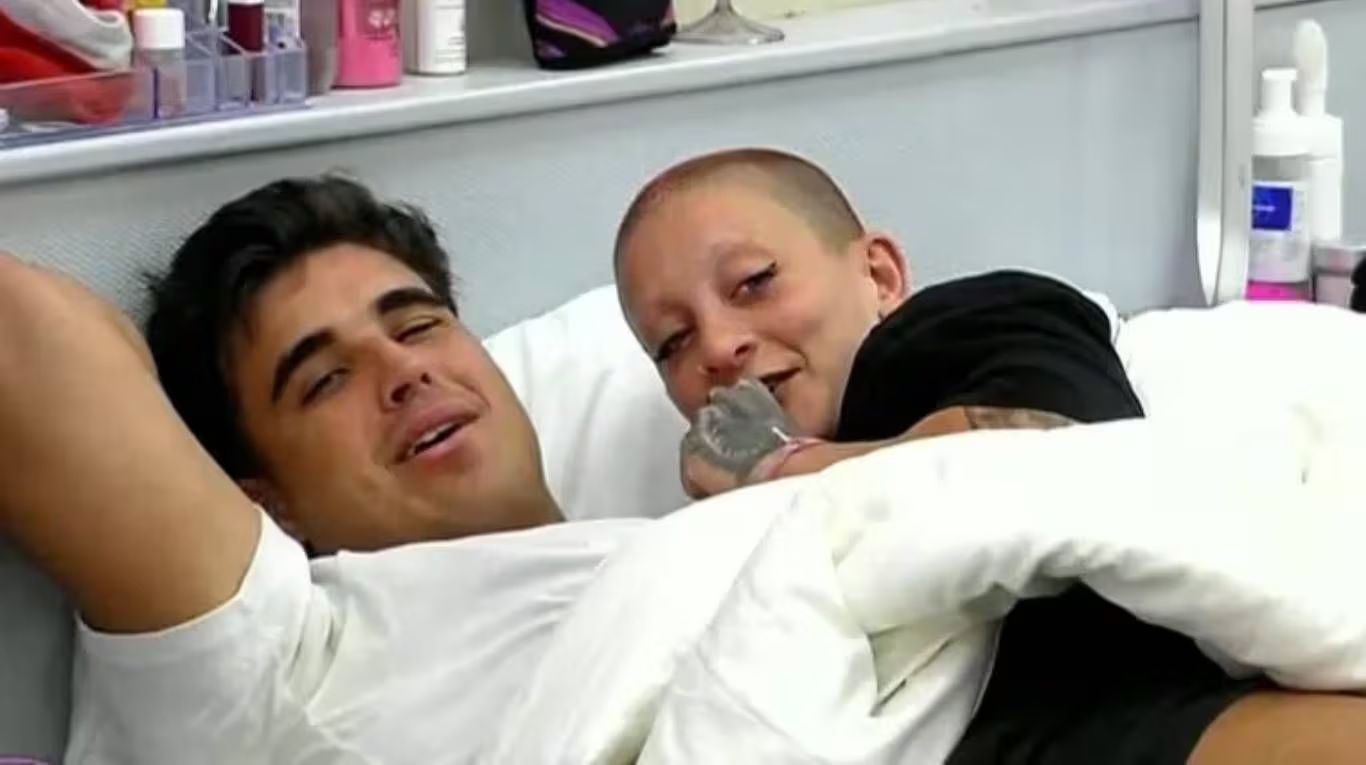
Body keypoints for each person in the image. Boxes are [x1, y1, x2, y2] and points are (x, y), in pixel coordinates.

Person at [612, 147, 1366, 764]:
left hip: (1106, 710)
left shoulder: (954, 323)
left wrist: (774, 464)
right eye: (672, 343)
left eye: (753, 283)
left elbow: (1048, 444)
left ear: (880, 275)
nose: (718, 346)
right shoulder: (710, 531)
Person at [0, 176, 649, 763]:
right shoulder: (286, 656)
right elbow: (22, 333)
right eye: (327, 379)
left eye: (417, 327)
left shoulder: (674, 530)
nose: (405, 370)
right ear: (269, 503)